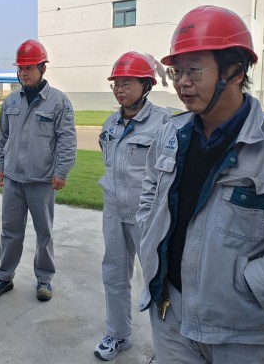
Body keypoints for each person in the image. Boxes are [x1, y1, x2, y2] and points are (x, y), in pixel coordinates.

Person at [136, 5, 264, 363]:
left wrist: (253, 283)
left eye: (194, 70)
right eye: (177, 71)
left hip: (244, 334)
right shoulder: (170, 134)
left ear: (235, 71)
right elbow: (149, 195)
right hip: (170, 314)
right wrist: (148, 240)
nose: (182, 82)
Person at [0, 39, 77, 302]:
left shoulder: (58, 101)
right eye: (21, 68)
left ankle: (44, 279)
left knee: (44, 233)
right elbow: (2, 138)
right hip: (13, 180)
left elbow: (67, 140)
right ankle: (4, 276)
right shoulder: (11, 101)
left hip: (42, 181)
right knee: (10, 231)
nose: (23, 73)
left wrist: (61, 172)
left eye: (29, 67)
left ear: (42, 68)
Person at [94, 51, 170, 361]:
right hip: (114, 212)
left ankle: (167, 347)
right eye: (116, 84)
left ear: (146, 85)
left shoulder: (164, 123)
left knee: (158, 281)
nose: (119, 90)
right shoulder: (111, 123)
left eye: (126, 83)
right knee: (113, 276)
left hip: (148, 217)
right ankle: (118, 334)